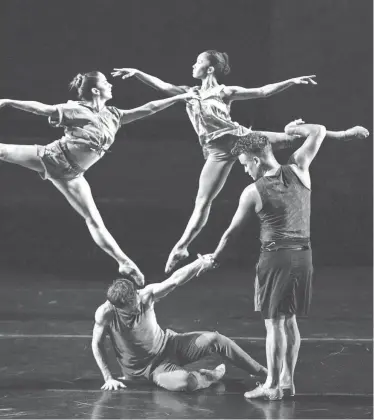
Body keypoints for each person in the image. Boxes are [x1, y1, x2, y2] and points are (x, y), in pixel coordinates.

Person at [112, 50, 368, 274]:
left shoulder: (225, 92)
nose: (193, 65)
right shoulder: (187, 93)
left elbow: (262, 91)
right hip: (217, 151)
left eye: (197, 61)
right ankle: (182, 248)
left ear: (209, 68)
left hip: (240, 138)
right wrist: (137, 73)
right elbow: (161, 85)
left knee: (291, 138)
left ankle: (343, 134)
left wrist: (290, 81)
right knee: (203, 201)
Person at [197, 119, 369, 400]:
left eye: (244, 164)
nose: (244, 169)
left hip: (276, 259)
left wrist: (214, 258)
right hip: (304, 257)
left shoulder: (253, 191)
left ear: (255, 159)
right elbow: (318, 131)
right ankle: (287, 382)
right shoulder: (299, 168)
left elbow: (230, 234)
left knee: (274, 323)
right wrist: (292, 130)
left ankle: (272, 386)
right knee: (289, 322)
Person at [0, 71, 198, 285]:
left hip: (73, 175)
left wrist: (177, 98)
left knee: (94, 220)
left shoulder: (114, 115)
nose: (110, 84)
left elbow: (149, 108)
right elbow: (40, 108)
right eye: (105, 82)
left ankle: (124, 262)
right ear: (95, 90)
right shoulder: (75, 109)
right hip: (51, 157)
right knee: (2, 151)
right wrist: (9, 101)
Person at [92, 256, 268, 392]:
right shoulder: (105, 314)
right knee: (186, 382)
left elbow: (175, 280)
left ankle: (264, 372)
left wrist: (200, 263)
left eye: (136, 302)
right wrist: (108, 378)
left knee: (216, 339)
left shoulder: (144, 296)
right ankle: (209, 377)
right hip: (150, 369)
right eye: (132, 308)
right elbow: (96, 344)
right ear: (118, 307)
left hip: (170, 344)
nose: (138, 308)